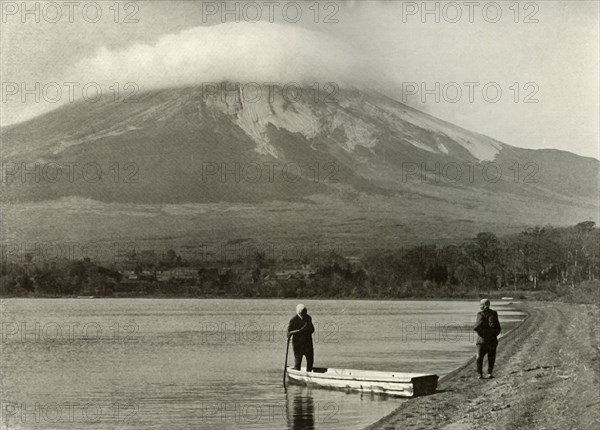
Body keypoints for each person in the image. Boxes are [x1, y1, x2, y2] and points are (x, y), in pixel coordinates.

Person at [473, 298, 501, 379]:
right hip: (492, 340)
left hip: (481, 340)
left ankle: (480, 374)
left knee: (479, 357)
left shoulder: (479, 314)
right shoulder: (494, 313)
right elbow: (498, 328)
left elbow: (476, 327)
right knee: (491, 357)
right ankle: (489, 373)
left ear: (482, 306)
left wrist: (483, 335)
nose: (480, 306)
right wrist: (493, 335)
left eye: (480, 305)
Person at [287, 304, 315, 372]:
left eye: (305, 311)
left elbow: (312, 329)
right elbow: (288, 333)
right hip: (298, 344)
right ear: (299, 311)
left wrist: (304, 331)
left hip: (307, 344)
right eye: (303, 311)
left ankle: (309, 372)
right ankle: (297, 373)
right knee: (298, 360)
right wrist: (294, 333)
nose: (304, 313)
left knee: (310, 360)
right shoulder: (293, 320)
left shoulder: (308, 318)